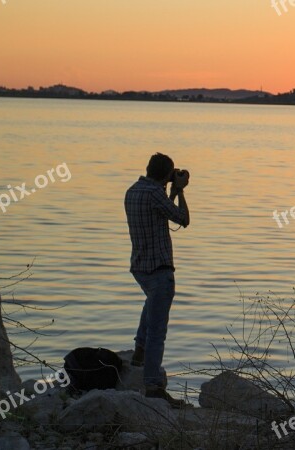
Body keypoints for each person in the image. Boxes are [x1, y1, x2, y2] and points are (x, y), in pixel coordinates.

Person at [124, 153, 190, 408]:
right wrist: (181, 191)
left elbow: (160, 212)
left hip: (140, 267)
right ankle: (152, 385)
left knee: (151, 303)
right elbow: (182, 219)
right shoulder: (155, 194)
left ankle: (139, 351)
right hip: (159, 268)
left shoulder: (134, 190)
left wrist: (169, 190)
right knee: (158, 332)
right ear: (166, 175)